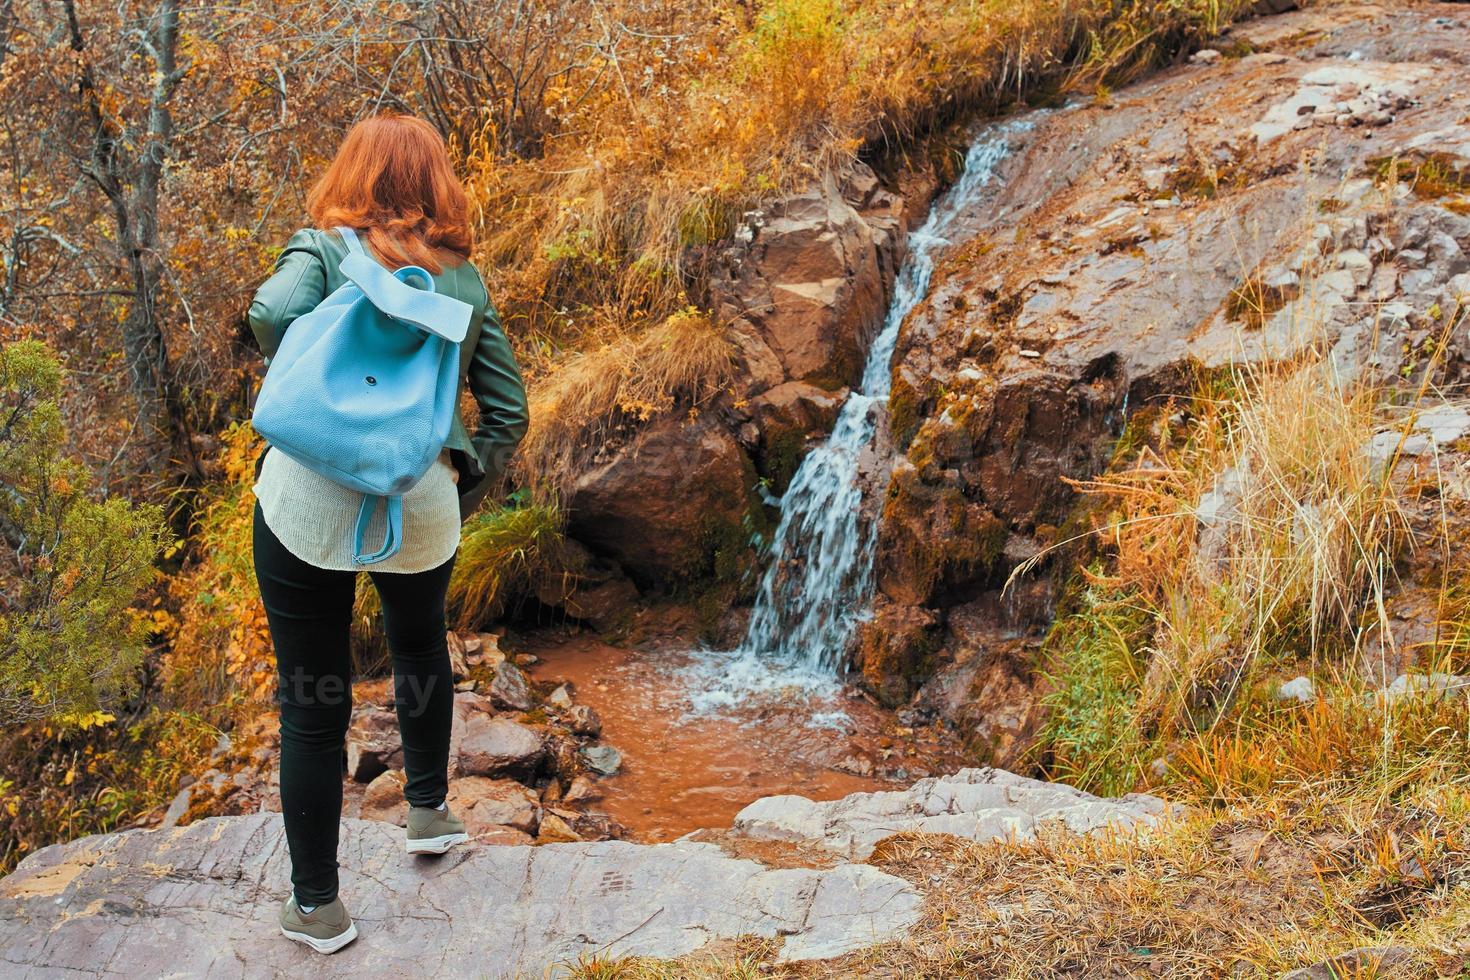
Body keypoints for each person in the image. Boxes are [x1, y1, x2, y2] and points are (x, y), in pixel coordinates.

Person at [246, 113, 528, 954]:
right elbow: (508, 410)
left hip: (309, 497)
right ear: (437, 181)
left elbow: (270, 315)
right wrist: (457, 483)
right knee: (419, 648)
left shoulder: (324, 249)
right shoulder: (463, 279)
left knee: (311, 702)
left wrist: (321, 377)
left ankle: (318, 907)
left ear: (352, 174)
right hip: (420, 498)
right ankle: (431, 813)